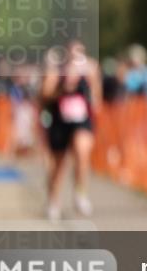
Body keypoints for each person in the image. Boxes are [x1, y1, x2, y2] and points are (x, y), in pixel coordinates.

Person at [39, 40, 102, 222]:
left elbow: (97, 97)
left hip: (81, 120)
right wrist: (63, 88)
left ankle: (80, 193)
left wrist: (90, 83)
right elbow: (45, 94)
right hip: (60, 120)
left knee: (82, 153)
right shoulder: (56, 70)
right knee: (58, 165)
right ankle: (53, 201)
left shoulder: (90, 69)